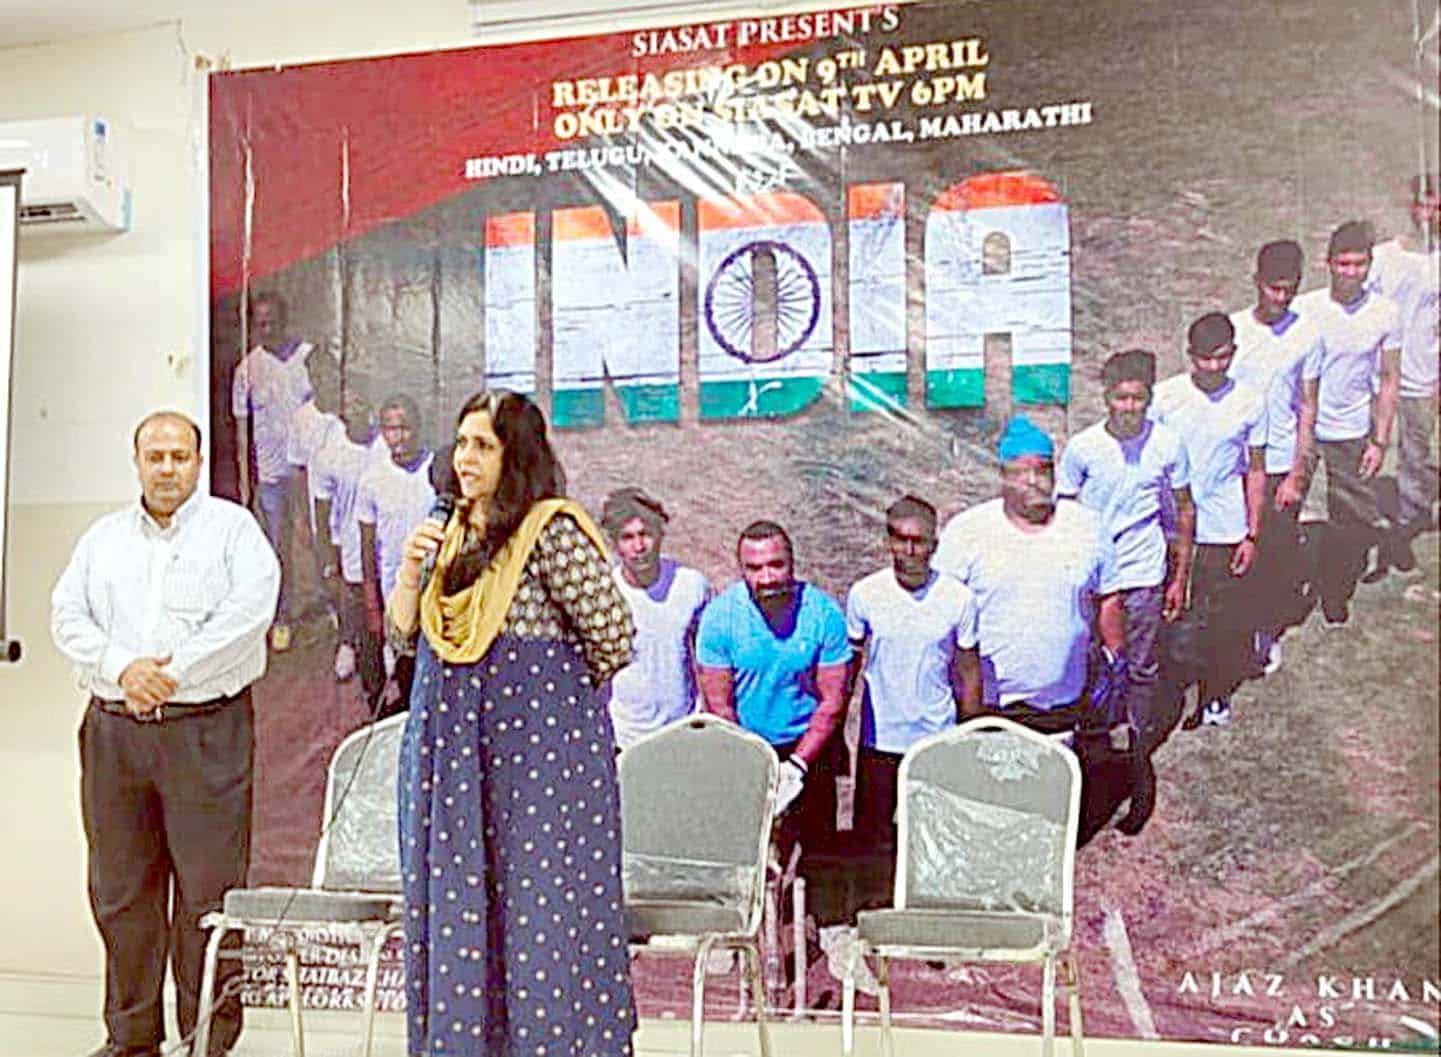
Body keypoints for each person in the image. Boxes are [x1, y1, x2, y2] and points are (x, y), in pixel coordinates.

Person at [388, 389, 636, 1057]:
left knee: (538, 909)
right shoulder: (445, 528)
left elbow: (613, 637)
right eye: (461, 443)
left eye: (483, 446)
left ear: (515, 456)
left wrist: (540, 704)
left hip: (536, 766)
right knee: (457, 903)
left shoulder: (549, 531)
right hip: (451, 760)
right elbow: (404, 640)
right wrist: (410, 570)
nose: (464, 458)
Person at [51, 411, 280, 1057]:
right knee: (120, 891)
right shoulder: (102, 540)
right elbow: (66, 614)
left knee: (209, 894)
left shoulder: (234, 532)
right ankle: (131, 1038)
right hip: (115, 734)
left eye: (180, 455)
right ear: (137, 463)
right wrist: (123, 668)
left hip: (205, 731)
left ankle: (208, 1040)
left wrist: (170, 675)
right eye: (155, 456)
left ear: (198, 462)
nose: (167, 467)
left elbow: (247, 616)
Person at [933, 416, 1129, 842]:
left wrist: (1116, 663)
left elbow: (1109, 597)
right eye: (1021, 471)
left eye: (1043, 469)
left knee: (1050, 807)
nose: (1034, 481)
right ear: (1003, 476)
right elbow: (942, 610)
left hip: (1062, 700)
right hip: (992, 702)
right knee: (991, 806)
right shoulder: (967, 532)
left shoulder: (1087, 526)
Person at [1056, 350, 1193, 829]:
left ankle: (1135, 759)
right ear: (1106, 397)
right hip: (1095, 579)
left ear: (1150, 397)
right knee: (1086, 665)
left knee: (1140, 670)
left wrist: (1179, 577)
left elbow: (1183, 510)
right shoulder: (1083, 448)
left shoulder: (1168, 445)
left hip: (1143, 576)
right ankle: (1087, 757)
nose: (1129, 407)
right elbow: (1065, 513)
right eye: (1121, 398)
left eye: (1138, 398)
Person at [696, 521, 851, 854]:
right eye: (754, 568)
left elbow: (832, 700)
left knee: (818, 852)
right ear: (742, 570)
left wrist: (797, 766)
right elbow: (720, 705)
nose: (766, 578)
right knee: (749, 849)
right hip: (748, 743)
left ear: (792, 563)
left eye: (775, 565)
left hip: (808, 745)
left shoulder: (823, 614)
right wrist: (751, 761)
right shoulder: (720, 618)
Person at [845, 495, 980, 857]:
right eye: (899, 539)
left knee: (934, 836)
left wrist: (971, 732)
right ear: (887, 541)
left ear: (934, 544)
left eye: (918, 541)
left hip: (936, 735)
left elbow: (968, 668)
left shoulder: (959, 598)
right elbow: (850, 667)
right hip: (879, 737)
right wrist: (838, 727)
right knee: (871, 838)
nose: (908, 550)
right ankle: (872, 892)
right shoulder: (864, 594)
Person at [1149, 314, 1267, 727]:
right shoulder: (1165, 399)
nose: (1214, 367)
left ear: (1234, 353)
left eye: (1222, 357)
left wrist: (1251, 534)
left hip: (1224, 528)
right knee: (1171, 614)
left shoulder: (1251, 401)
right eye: (1205, 358)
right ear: (1190, 355)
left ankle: (1214, 693)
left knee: (1218, 619)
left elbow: (1255, 469)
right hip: (1171, 526)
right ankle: (1167, 692)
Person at [1294, 221, 1402, 624]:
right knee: (1284, 509)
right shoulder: (1305, 309)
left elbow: (1389, 379)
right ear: (1328, 263)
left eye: (1359, 264)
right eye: (1343, 264)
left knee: (1350, 520)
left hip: (1352, 429)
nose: (1351, 272)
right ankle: (1284, 589)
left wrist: (1379, 440)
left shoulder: (1386, 313)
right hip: (1303, 429)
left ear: (1370, 264)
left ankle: (1335, 591)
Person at [1227, 241, 1323, 672]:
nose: (1281, 298)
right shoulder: (1233, 330)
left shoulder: (1308, 334)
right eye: (1274, 288)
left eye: (1290, 289)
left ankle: (1265, 630)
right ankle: (1232, 630)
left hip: (1280, 461)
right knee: (1234, 547)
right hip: (1237, 463)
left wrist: (1297, 474)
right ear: (1257, 282)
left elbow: (1307, 406)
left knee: (1274, 552)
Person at [600, 487, 712, 750]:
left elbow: (709, 662)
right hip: (625, 737)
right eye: (627, 537)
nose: (639, 547)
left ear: (660, 534)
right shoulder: (605, 593)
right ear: (614, 542)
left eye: (646, 534)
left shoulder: (692, 585)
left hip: (684, 730)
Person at [231, 291, 312, 653]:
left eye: (273, 322)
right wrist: (246, 484)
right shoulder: (246, 370)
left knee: (315, 543)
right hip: (272, 475)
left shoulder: (308, 356)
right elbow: (242, 432)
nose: (268, 329)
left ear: (285, 320)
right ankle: (281, 617)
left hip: (310, 471)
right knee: (277, 548)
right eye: (261, 324)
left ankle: (333, 612)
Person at [1366, 174, 1439, 574]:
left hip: (1422, 373)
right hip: (1378, 374)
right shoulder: (1383, 258)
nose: (1430, 214)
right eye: (1424, 205)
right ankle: (1363, 525)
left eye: (1438, 207)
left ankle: (1407, 525)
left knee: (1416, 452)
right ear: (1412, 206)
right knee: (1369, 448)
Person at [356, 393, 434, 713]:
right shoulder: (372, 481)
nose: (398, 437)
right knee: (405, 670)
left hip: (436, 592)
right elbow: (367, 550)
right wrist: (373, 606)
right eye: (390, 429)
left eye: (405, 428)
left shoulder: (437, 472)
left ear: (418, 428)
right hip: (395, 595)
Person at [309, 388, 384, 681]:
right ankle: (348, 644)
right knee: (353, 597)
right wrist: (327, 554)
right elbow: (322, 509)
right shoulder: (329, 454)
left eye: (361, 403)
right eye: (350, 405)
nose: (356, 410)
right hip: (350, 539)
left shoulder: (384, 444)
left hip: (384, 537)